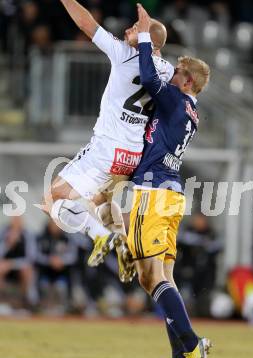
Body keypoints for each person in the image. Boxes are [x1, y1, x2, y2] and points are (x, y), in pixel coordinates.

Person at [97, 4, 212, 358]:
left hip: (153, 193)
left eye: (178, 73)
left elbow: (148, 75)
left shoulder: (177, 100)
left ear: (189, 82)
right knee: (160, 278)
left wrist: (145, 37)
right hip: (171, 194)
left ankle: (193, 343)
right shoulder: (191, 111)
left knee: (149, 275)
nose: (172, 74)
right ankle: (179, 356)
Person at [42, 0, 174, 282]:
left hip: (107, 148)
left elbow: (86, 24)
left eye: (134, 28)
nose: (127, 29)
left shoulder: (125, 54)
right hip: (133, 154)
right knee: (100, 200)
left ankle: (102, 237)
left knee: (53, 198)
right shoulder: (169, 72)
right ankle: (122, 241)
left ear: (146, 38)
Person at [0, 216, 38, 308]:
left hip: (20, 266)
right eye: (14, 220)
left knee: (28, 271)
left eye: (18, 220)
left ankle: (27, 303)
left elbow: (31, 258)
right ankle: (2, 301)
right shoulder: (3, 233)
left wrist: (12, 263)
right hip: (5, 266)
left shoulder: (28, 235)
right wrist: (8, 244)